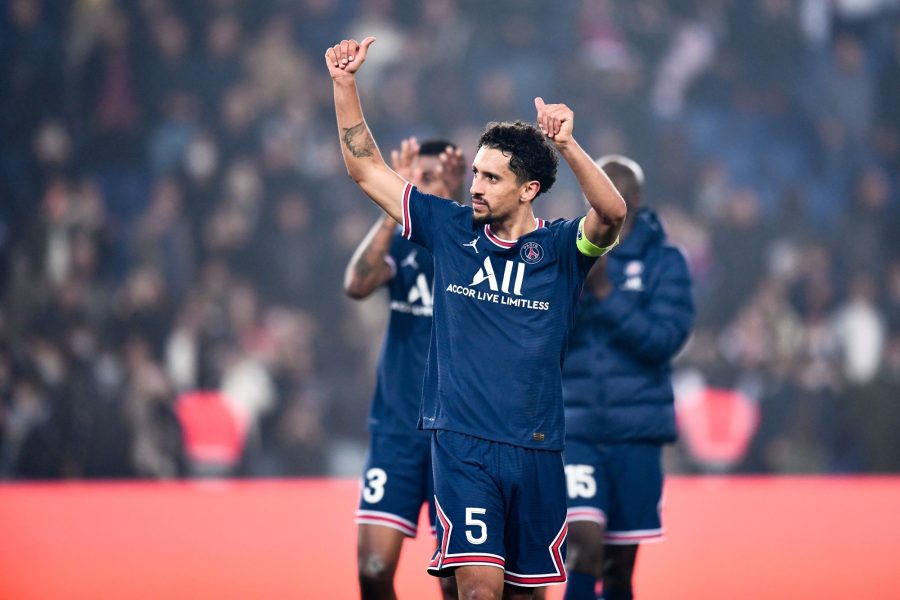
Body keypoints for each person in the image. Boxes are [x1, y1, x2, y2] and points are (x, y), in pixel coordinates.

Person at [325, 37, 627, 599]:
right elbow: (366, 171)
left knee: (524, 595)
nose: (475, 186)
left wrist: (568, 146)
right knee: (479, 592)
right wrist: (345, 85)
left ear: (529, 189)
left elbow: (611, 213)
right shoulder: (452, 230)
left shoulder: (564, 249)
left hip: (537, 448)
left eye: (491, 178)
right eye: (477, 173)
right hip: (463, 447)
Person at [560, 155, 694, 600]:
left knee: (618, 570)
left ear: (633, 200)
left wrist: (605, 294)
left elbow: (664, 340)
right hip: (574, 429)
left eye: (614, 191)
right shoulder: (566, 251)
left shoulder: (665, 261)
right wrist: (576, 290)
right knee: (582, 547)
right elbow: (543, 334)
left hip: (635, 434)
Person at [346, 135, 464, 600]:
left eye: (432, 178)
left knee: (455, 581)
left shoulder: (470, 245)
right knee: (373, 569)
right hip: (395, 432)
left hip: (454, 436)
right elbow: (356, 283)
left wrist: (451, 206)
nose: (422, 186)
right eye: (414, 178)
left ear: (455, 183)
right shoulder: (398, 242)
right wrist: (391, 206)